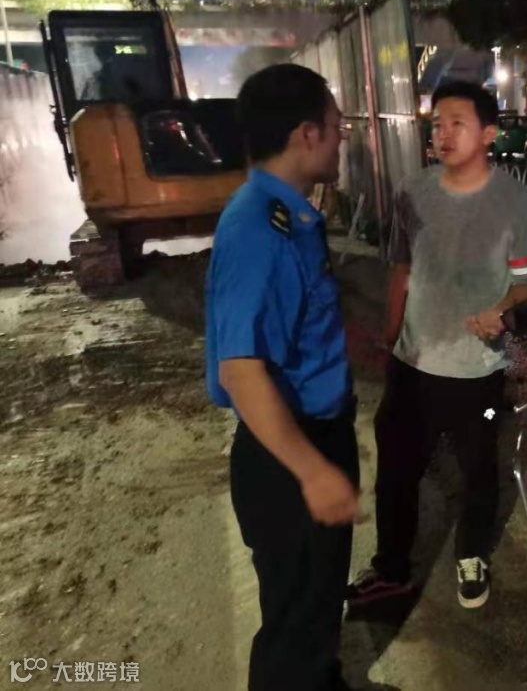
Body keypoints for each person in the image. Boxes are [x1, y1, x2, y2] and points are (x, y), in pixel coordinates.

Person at [346, 80, 527, 610]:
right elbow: (401, 269)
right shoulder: (414, 191)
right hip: (411, 364)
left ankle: (471, 554)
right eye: (437, 124)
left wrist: (500, 311)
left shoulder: (513, 200)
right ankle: (391, 568)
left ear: (489, 133)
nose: (443, 134)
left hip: (477, 370)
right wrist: (391, 336)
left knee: (478, 470)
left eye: (458, 123)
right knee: (396, 472)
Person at [205, 63, 359, 691]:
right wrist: (313, 472)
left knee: (316, 607)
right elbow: (241, 371)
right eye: (335, 124)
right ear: (305, 134)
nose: (342, 136)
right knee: (293, 623)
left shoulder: (287, 215)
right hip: (288, 453)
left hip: (313, 436)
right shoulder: (258, 229)